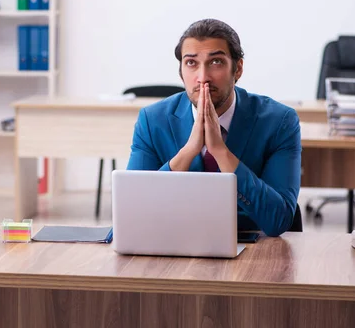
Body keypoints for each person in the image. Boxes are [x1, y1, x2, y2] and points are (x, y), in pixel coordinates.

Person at [126, 18, 301, 237]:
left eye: (216, 62)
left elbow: (278, 219)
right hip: (175, 243)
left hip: (252, 248)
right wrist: (188, 152)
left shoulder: (279, 121)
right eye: (191, 63)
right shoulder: (152, 121)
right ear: (181, 72)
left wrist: (220, 151)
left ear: (237, 69)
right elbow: (133, 212)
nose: (203, 78)